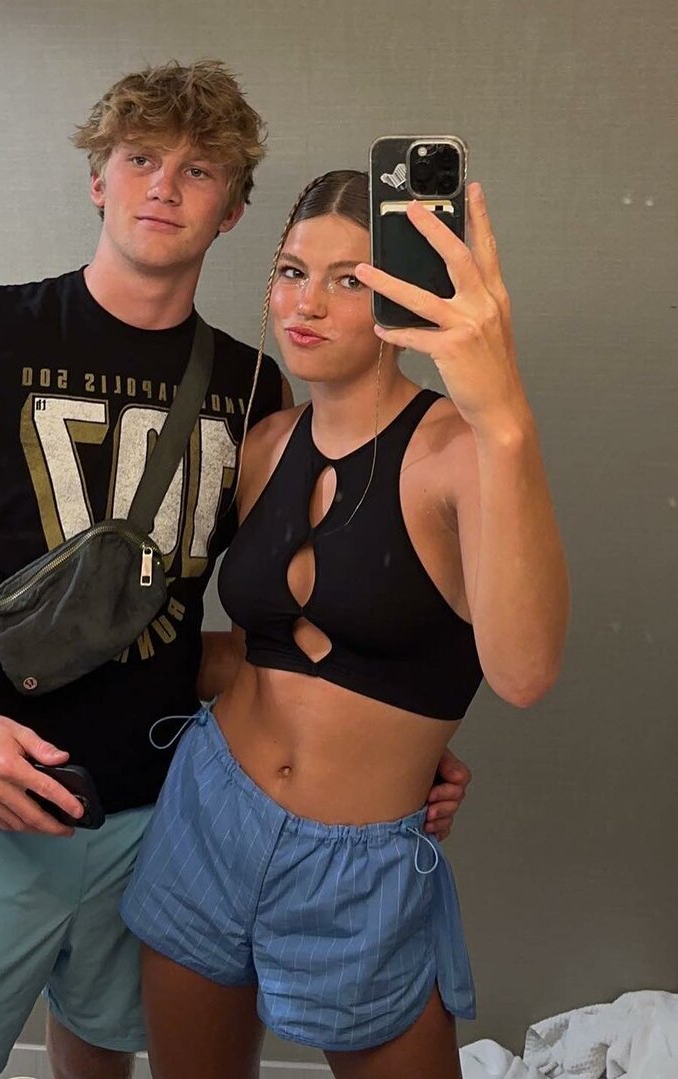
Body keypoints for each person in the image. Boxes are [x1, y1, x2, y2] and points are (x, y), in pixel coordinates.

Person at [0, 66, 474, 1079]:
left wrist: (387, 737)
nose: (164, 185)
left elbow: (287, 618)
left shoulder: (256, 391)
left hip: (158, 809)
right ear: (99, 178)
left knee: (103, 1052)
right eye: (139, 159)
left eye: (198, 169)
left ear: (232, 209)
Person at [119, 170, 570, 1079]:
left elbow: (523, 673)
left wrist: (505, 416)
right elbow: (254, 654)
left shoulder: (460, 450)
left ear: (403, 297)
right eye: (292, 272)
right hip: (208, 815)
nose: (307, 304)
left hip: (358, 869)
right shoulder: (263, 445)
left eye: (350, 280)